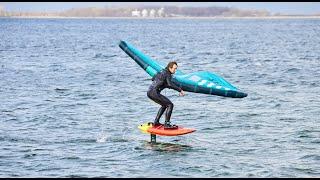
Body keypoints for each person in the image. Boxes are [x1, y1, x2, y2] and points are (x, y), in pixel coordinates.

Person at [147, 61, 185, 129]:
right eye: (174, 68)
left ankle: (156, 122)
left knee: (164, 105)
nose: (175, 70)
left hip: (149, 92)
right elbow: (170, 84)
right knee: (170, 105)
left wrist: (164, 84)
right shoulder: (168, 73)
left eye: (176, 69)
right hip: (154, 92)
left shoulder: (161, 71)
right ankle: (167, 124)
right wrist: (180, 90)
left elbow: (153, 79)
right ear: (170, 68)